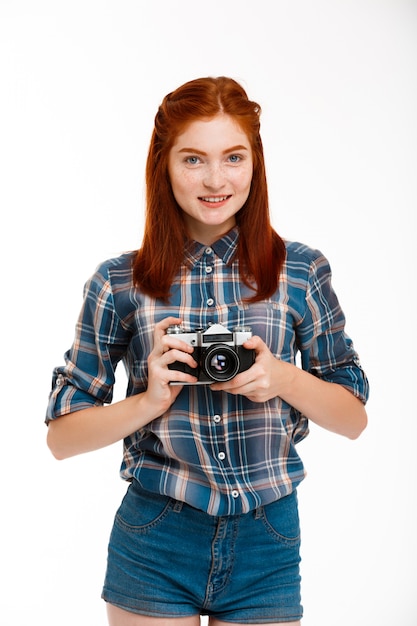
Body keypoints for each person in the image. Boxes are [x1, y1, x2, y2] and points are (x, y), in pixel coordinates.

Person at [46, 76, 370, 626]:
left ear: (255, 163)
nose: (215, 179)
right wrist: (149, 401)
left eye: (233, 157)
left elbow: (355, 418)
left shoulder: (299, 271)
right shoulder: (119, 282)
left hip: (267, 538)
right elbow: (61, 438)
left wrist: (282, 378)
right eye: (193, 159)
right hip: (155, 534)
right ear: (164, 165)